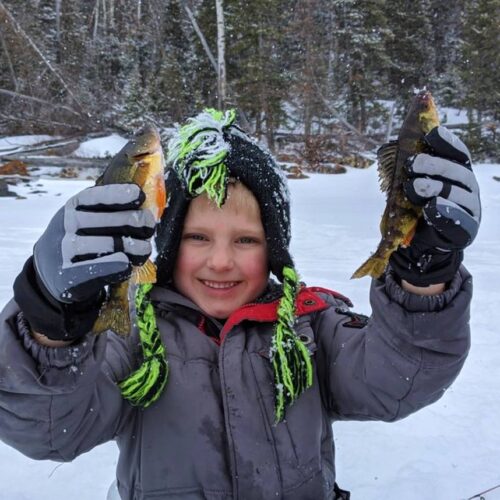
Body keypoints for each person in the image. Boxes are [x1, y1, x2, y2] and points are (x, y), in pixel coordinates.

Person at [0, 109, 481, 500]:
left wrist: (425, 274)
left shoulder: (311, 328)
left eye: (247, 240)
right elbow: (49, 428)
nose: (222, 261)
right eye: (197, 237)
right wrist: (50, 319)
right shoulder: (129, 338)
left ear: (273, 250)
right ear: (164, 245)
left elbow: (400, 378)